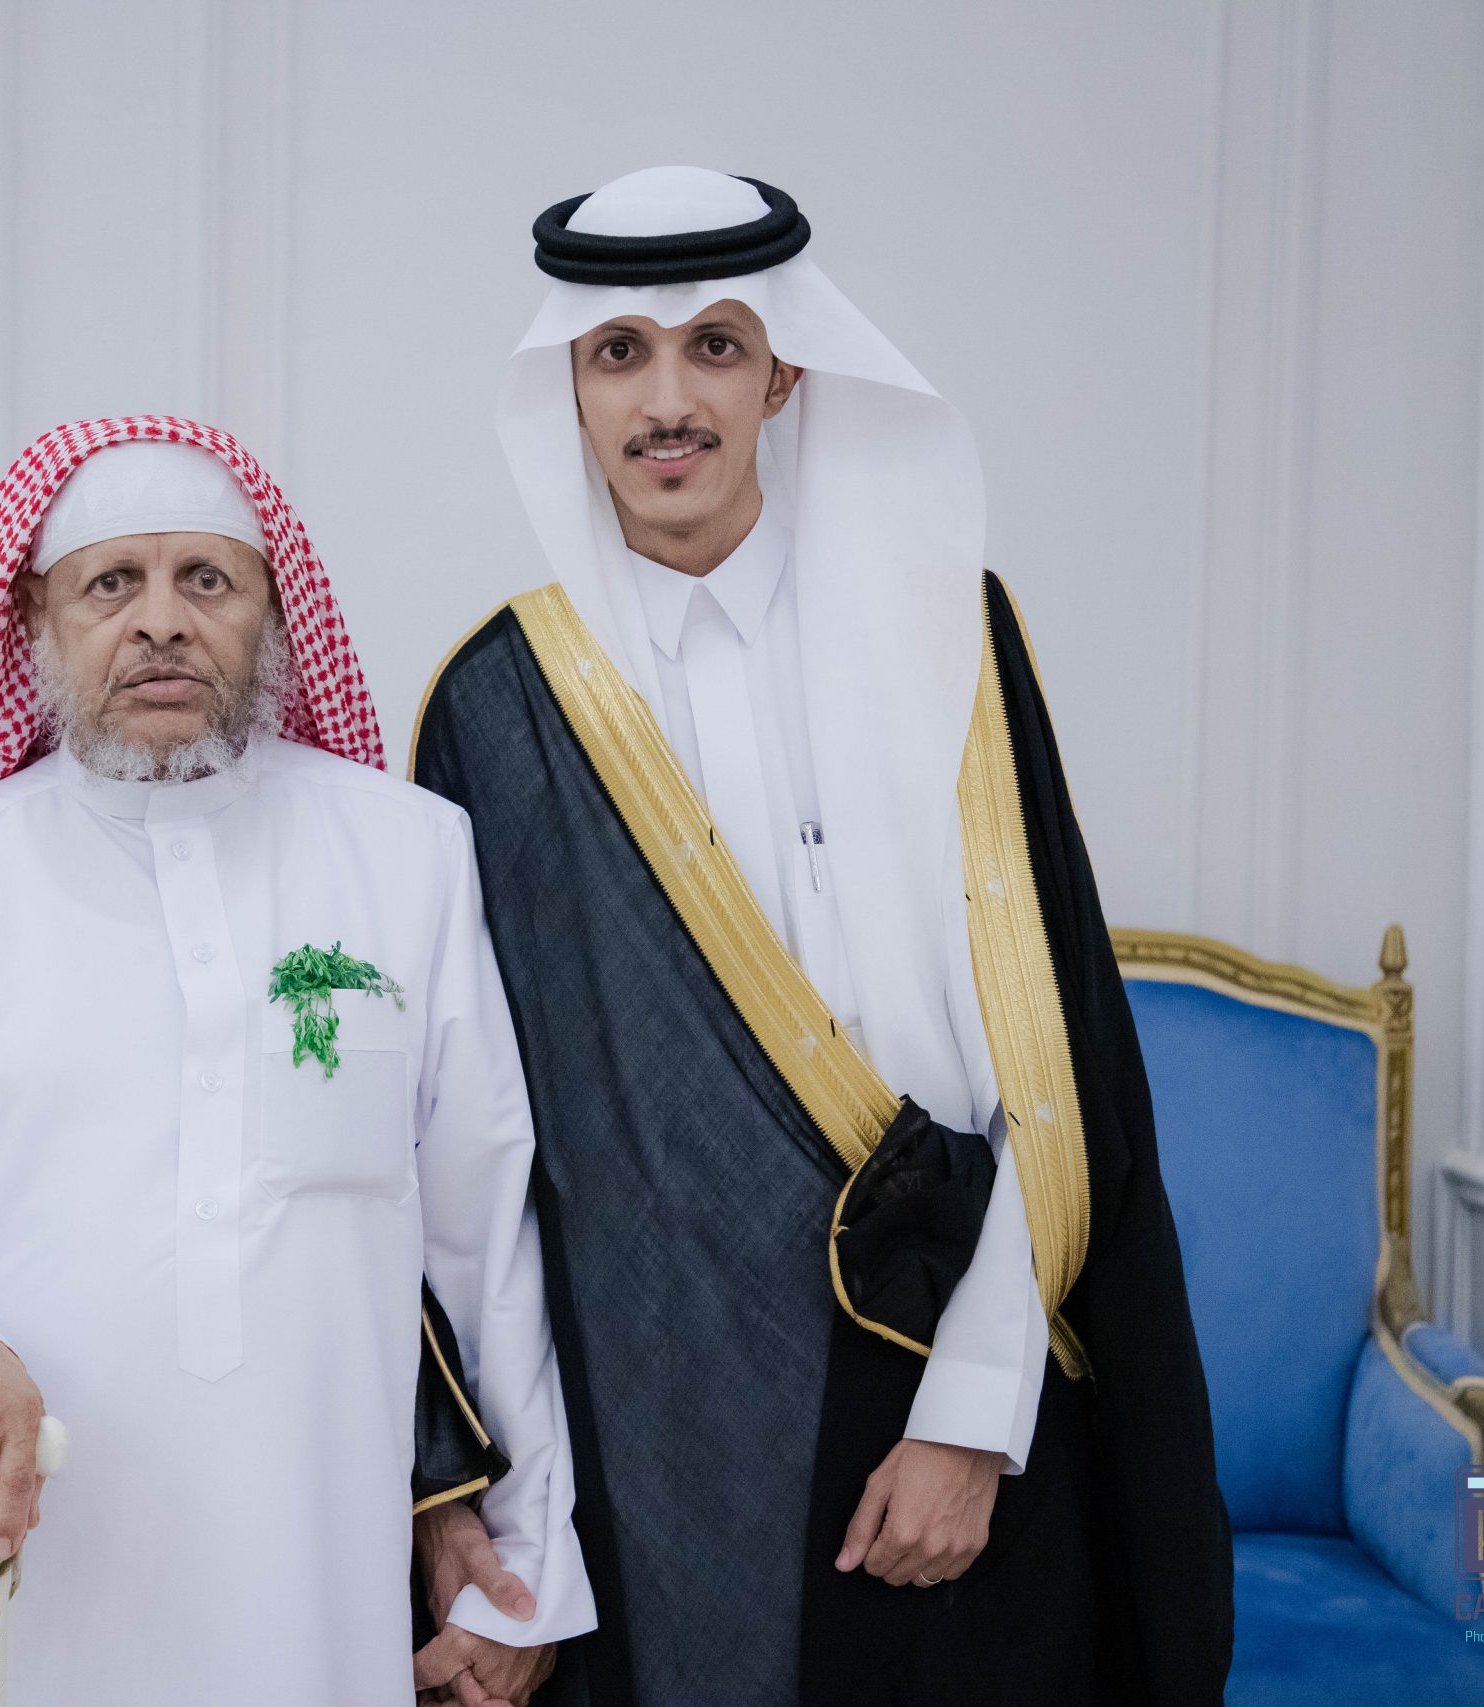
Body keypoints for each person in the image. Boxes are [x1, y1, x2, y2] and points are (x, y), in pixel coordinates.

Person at [405, 168, 1231, 1703]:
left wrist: (973, 1418)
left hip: (960, 1372)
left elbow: (1052, 1063)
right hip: (660, 1424)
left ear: (784, 375)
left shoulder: (949, 632)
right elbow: (480, 1157)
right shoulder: (499, 705)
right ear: (569, 391)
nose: (668, 401)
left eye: (715, 347)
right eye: (619, 354)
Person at [0, 418, 595, 1707]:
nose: (162, 622)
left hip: (314, 1591)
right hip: (19, 1578)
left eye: (207, 580)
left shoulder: (406, 856)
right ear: (37, 621)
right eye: (112, 583)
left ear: (272, 613)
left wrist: (523, 1555)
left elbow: (483, 1233)